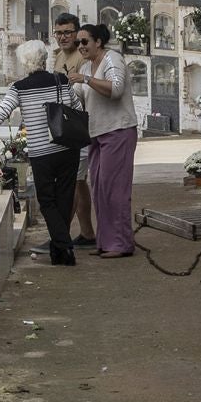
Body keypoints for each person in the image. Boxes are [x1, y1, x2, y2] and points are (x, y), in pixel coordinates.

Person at [0, 37, 79, 266]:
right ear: (44, 59)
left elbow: (3, 110)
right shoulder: (61, 80)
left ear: (24, 63)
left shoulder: (19, 88)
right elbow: (76, 106)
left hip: (41, 151)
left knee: (47, 200)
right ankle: (59, 251)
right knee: (65, 197)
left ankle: (64, 245)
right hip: (67, 146)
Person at [73, 22, 138, 257]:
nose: (80, 46)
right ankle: (105, 242)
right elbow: (82, 97)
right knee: (100, 189)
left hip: (118, 130)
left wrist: (84, 80)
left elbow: (116, 89)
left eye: (84, 41)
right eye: (78, 42)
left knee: (115, 190)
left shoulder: (112, 59)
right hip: (97, 133)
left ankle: (120, 244)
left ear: (98, 42)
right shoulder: (88, 66)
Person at [52, 11, 95, 247]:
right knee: (78, 183)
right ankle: (88, 233)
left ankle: (60, 238)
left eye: (68, 32)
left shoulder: (83, 58)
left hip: (78, 126)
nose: (63, 37)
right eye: (58, 33)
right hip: (66, 125)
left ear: (76, 33)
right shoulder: (59, 57)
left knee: (71, 183)